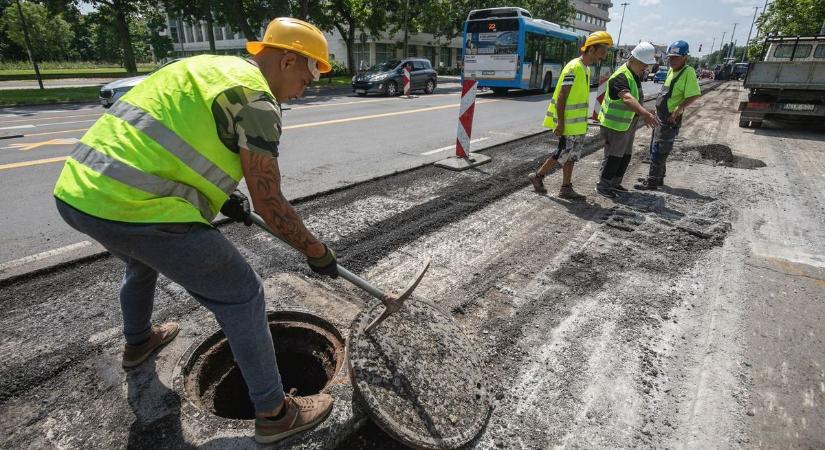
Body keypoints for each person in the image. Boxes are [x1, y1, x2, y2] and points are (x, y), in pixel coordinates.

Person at [52, 18, 337, 444]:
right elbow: (271, 204)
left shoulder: (207, 68)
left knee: (141, 258)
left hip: (79, 192)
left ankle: (138, 342)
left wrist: (223, 197)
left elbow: (169, 142)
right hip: (134, 204)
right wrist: (316, 250)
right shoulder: (257, 101)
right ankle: (275, 412)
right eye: (310, 73)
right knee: (242, 292)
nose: (307, 86)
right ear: (288, 59)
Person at [527, 30, 614, 199]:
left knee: (571, 156)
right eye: (602, 53)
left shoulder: (585, 69)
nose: (602, 57)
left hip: (578, 125)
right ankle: (537, 176)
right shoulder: (574, 67)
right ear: (591, 50)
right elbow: (562, 96)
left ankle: (566, 187)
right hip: (567, 124)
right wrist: (560, 123)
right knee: (562, 153)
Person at [595, 42, 661, 198]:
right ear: (635, 59)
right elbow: (627, 98)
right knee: (613, 157)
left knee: (625, 156)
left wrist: (643, 112)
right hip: (614, 125)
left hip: (626, 124)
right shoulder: (621, 76)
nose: (646, 67)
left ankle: (615, 184)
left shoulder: (634, 75)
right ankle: (603, 186)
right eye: (645, 64)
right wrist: (645, 113)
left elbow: (635, 98)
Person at [635, 40, 702, 190]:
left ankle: (652, 182)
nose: (672, 61)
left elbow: (694, 95)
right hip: (661, 115)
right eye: (670, 57)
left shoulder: (688, 72)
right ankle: (658, 179)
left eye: (675, 58)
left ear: (685, 57)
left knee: (659, 149)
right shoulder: (672, 70)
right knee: (656, 145)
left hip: (670, 118)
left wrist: (678, 110)